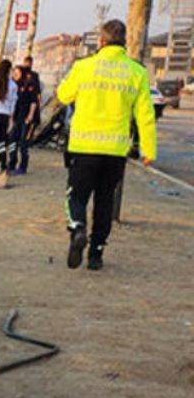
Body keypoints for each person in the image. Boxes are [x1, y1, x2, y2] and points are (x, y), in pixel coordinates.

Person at [55, 19, 156, 271]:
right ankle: (96, 254)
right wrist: (148, 150)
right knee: (104, 202)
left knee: (76, 196)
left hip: (83, 147)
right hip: (115, 150)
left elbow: (62, 95)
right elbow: (145, 115)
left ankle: (78, 228)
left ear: (101, 41)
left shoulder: (84, 67)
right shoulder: (137, 72)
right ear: (124, 42)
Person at [8, 64, 39, 174]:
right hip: (15, 117)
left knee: (23, 143)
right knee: (12, 141)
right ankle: (12, 163)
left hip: (25, 117)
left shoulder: (29, 85)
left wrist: (30, 116)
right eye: (14, 73)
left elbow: (34, 102)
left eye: (17, 73)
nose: (15, 75)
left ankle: (23, 166)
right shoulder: (13, 85)